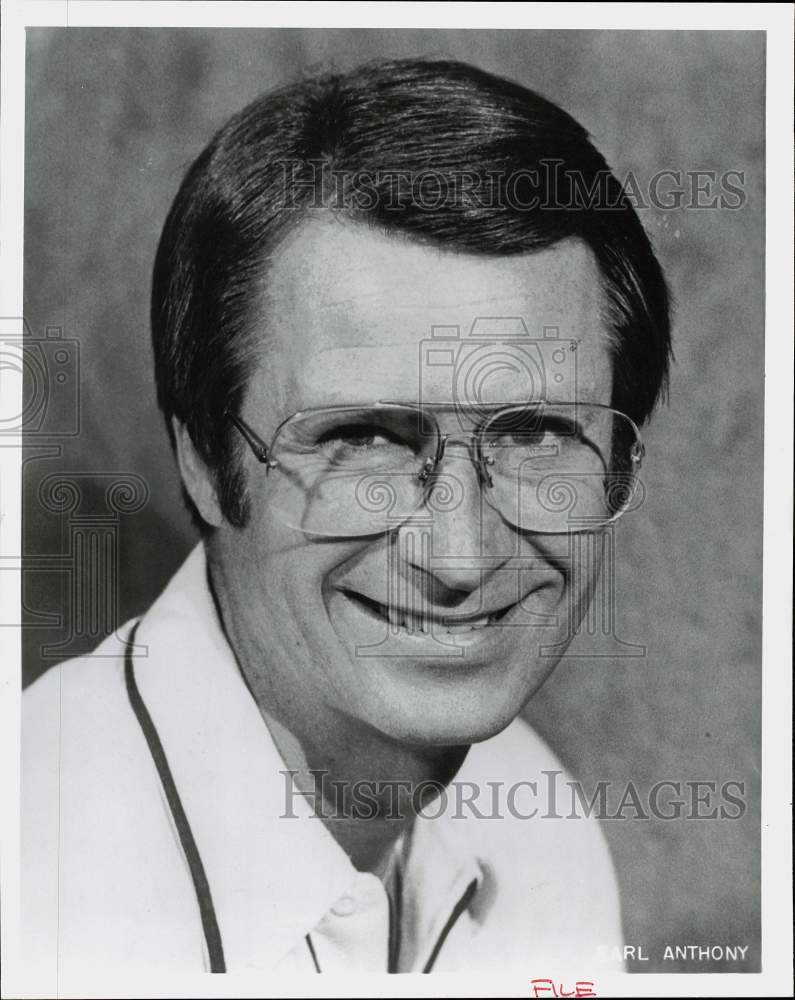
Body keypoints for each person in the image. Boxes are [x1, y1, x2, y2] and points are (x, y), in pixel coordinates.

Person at [22, 58, 671, 981]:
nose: (459, 554)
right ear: (205, 462)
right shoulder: (34, 870)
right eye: (364, 437)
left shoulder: (538, 821)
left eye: (534, 434)